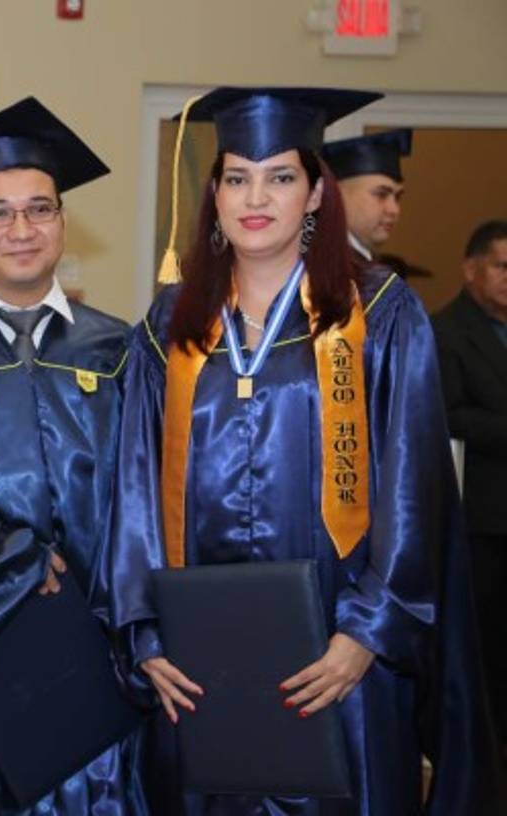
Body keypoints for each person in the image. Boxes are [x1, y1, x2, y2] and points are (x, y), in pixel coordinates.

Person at [109, 86, 503, 813]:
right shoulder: (171, 324)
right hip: (202, 662)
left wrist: (368, 632)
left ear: (317, 193)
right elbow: (133, 485)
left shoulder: (377, 313)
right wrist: (145, 632)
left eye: (281, 176)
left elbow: (413, 485)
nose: (256, 197)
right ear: (215, 196)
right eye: (237, 177)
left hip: (340, 655)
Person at [0, 96, 144, 815]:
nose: (21, 230)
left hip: (101, 657)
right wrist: (8, 554)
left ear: (63, 223)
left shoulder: (119, 348)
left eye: (40, 209)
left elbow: (148, 493)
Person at [432, 219, 507, 763]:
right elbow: (448, 414)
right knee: (484, 641)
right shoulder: (445, 331)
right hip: (480, 517)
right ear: (472, 269)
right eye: (503, 266)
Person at [320, 128, 411, 263]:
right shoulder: (324, 265)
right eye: (381, 194)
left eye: (397, 197)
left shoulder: (362, 264)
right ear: (336, 196)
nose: (394, 210)